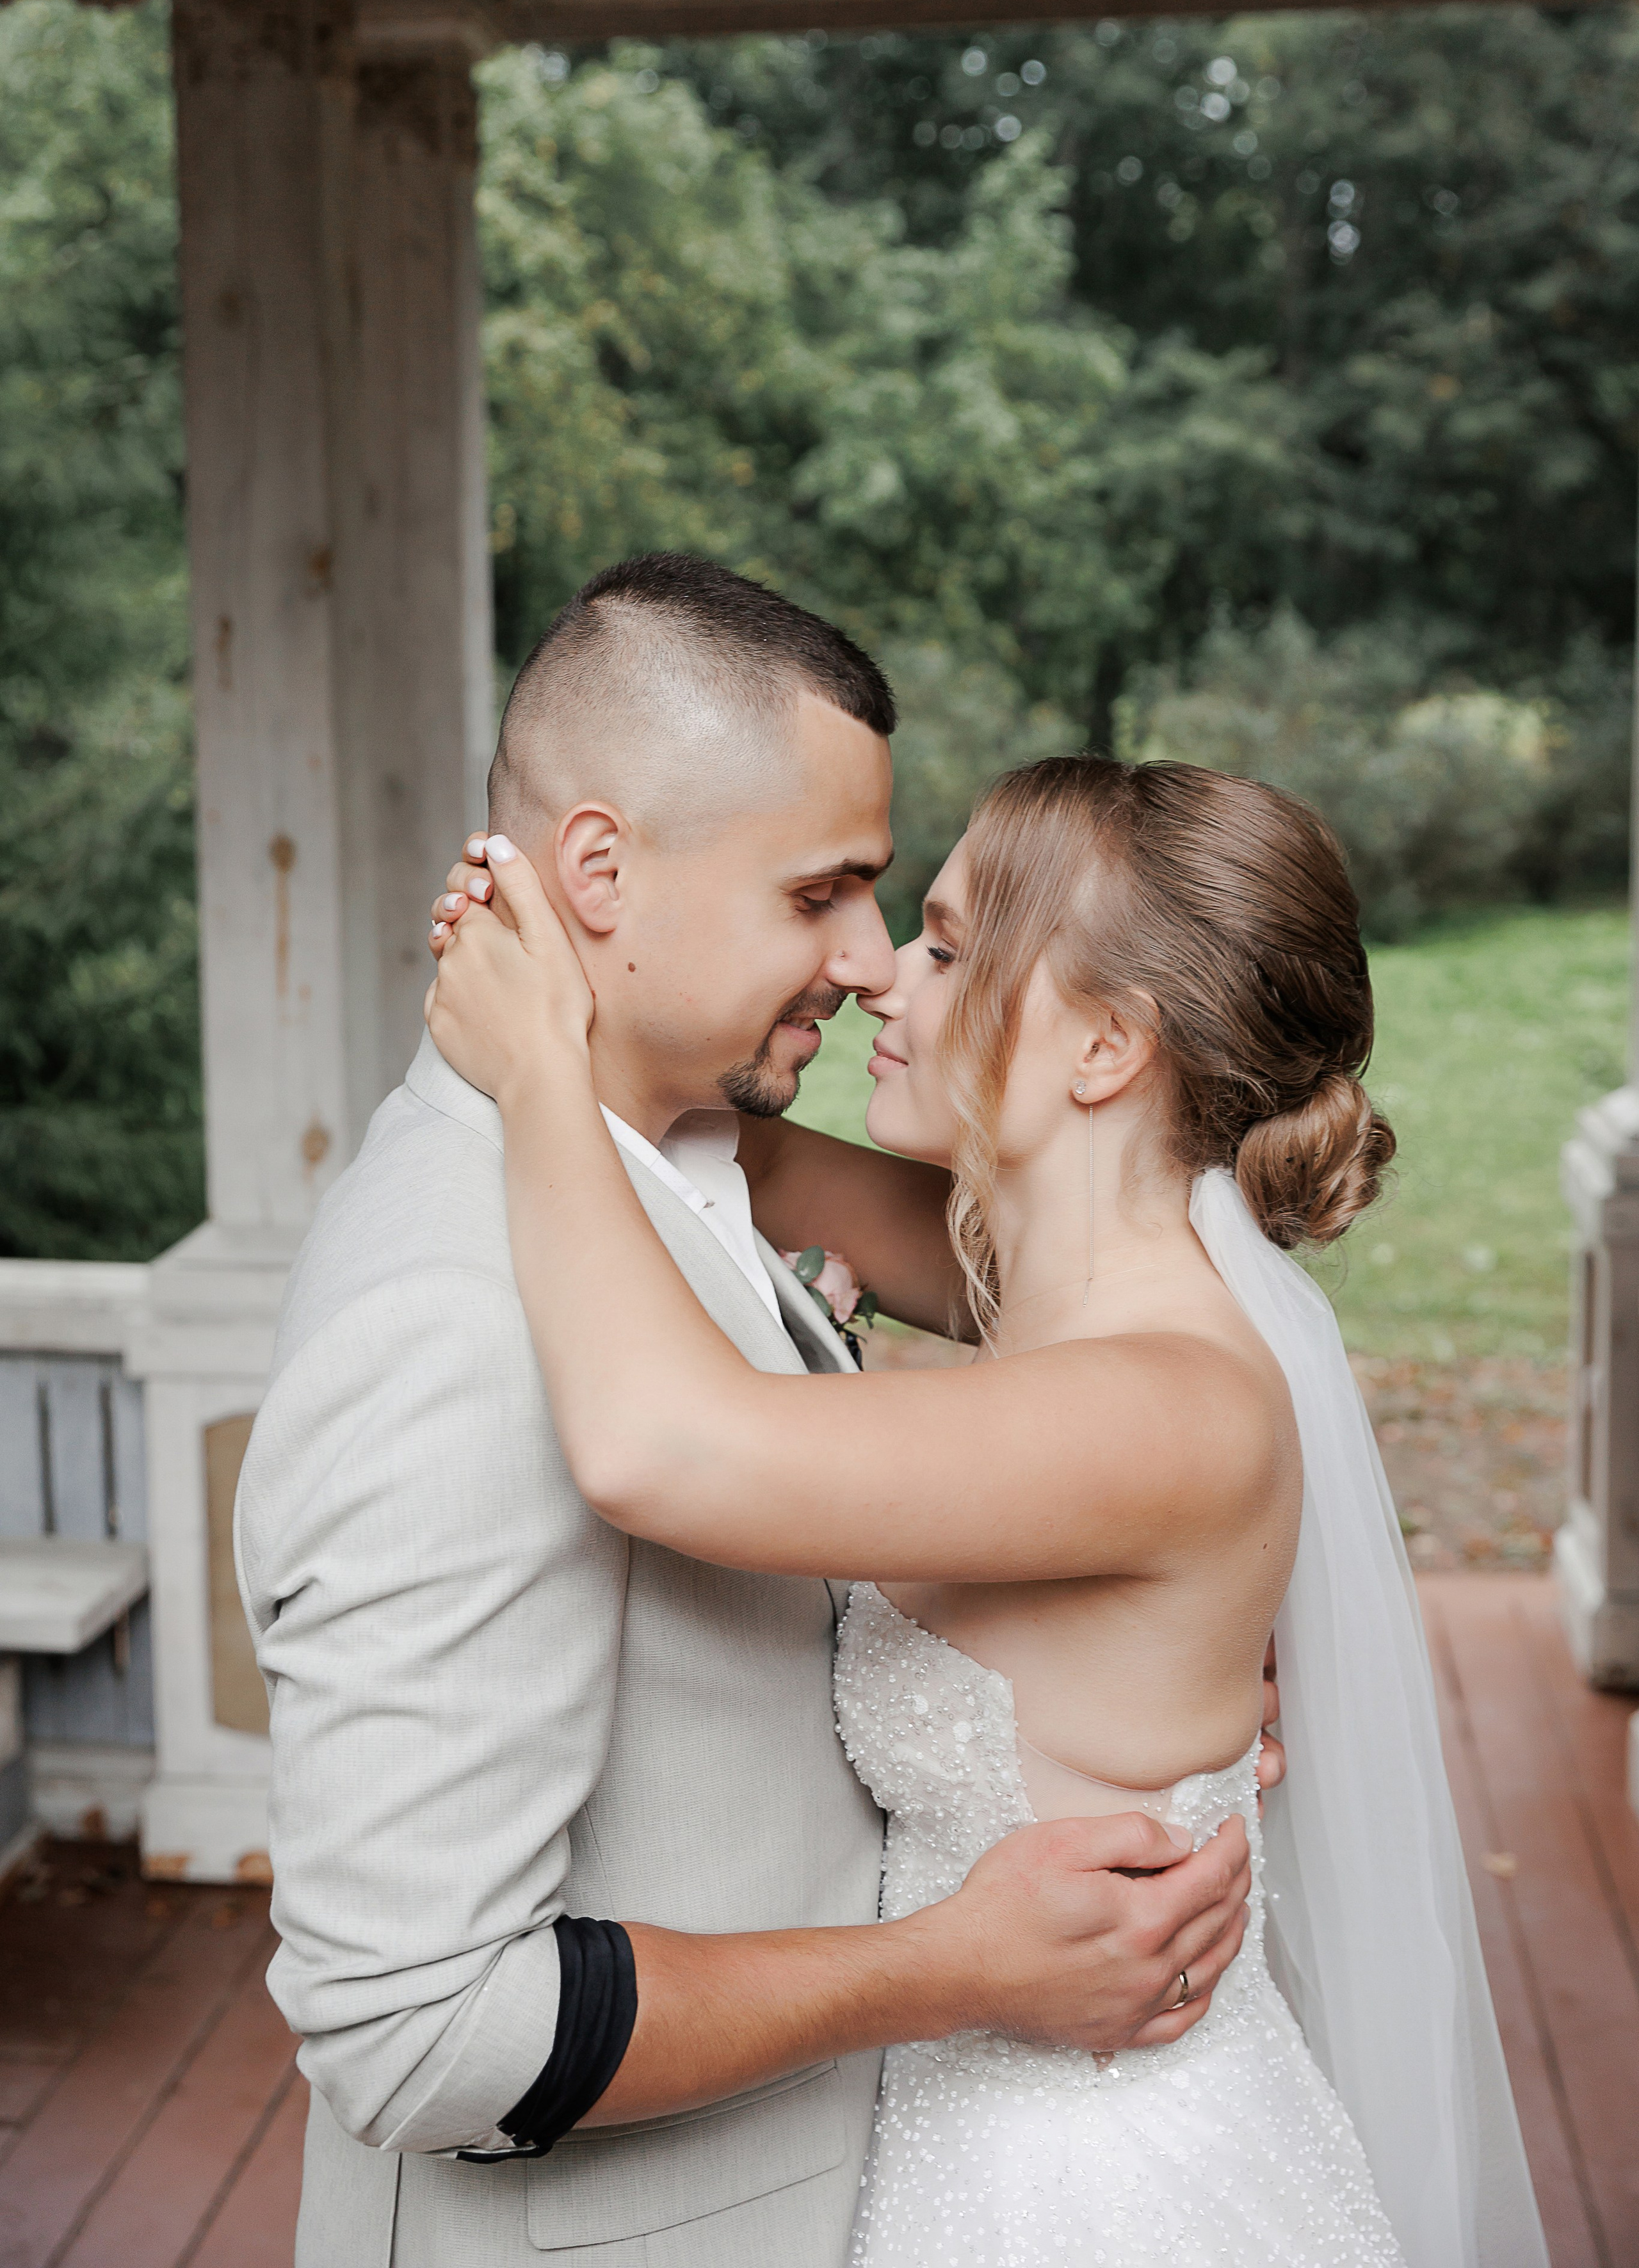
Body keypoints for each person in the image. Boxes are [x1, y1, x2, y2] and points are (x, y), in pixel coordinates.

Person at [237, 558, 1262, 2268]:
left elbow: (1087, 1316)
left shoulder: (692, 1159)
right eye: (826, 893)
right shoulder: (453, 1308)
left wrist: (1160, 1684)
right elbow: (412, 2025)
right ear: (600, 872)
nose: (867, 962)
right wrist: (948, 1964)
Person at [425, 744, 1550, 2268]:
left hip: (1095, 2191)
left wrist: (539, 1070)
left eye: (949, 947)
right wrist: (562, 947)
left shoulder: (1166, 1404)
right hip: (958, 2133)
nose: (885, 972)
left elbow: (658, 1452)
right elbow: (724, 1136)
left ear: (1102, 1050)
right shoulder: (1042, 1291)